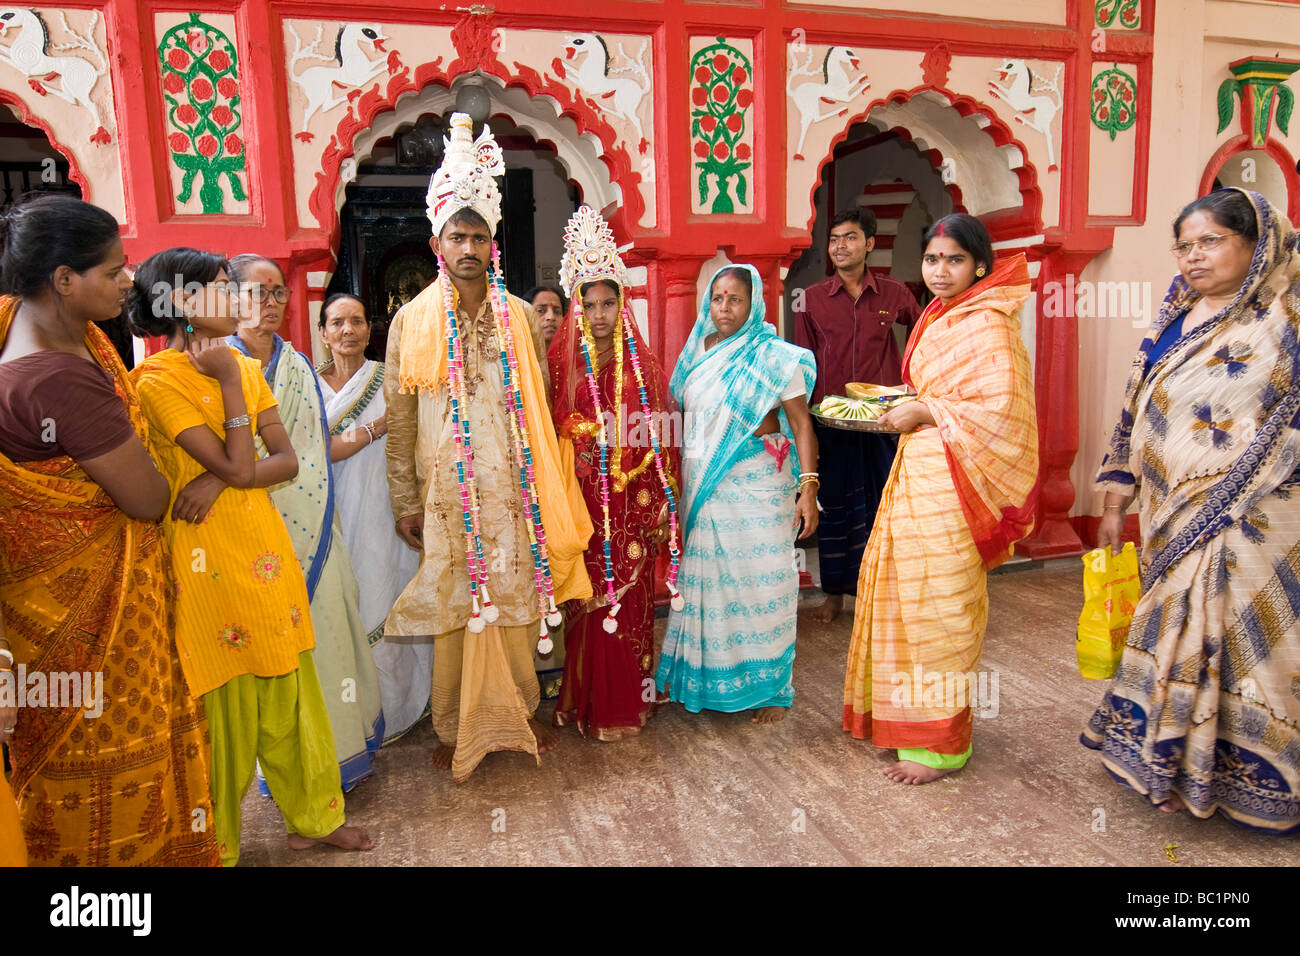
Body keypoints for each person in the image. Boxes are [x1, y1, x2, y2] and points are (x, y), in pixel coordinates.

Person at [128, 247, 372, 864]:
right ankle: (218, 843)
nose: (238, 301)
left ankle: (313, 818)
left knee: (291, 693)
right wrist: (232, 386)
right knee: (225, 710)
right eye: (220, 289)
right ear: (181, 304)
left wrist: (220, 475)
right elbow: (246, 461)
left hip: (264, 549)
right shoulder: (158, 381)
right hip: (206, 561)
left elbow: (287, 461)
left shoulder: (249, 370)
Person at [0, 196, 218, 866]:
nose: (129, 281)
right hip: (94, 618)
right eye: (113, 270)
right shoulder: (62, 378)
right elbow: (147, 497)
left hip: (31, 613)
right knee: (101, 754)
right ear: (63, 280)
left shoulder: (15, 324)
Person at [384, 112, 593, 781]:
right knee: (455, 605)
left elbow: (543, 407)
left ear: (492, 242)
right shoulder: (410, 323)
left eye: (478, 235)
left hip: (512, 489)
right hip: (445, 495)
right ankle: (455, 724)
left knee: (514, 597)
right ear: (437, 241)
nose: (468, 246)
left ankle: (520, 712)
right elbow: (399, 420)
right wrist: (405, 497)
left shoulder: (523, 318)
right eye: (457, 236)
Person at [1084, 188, 1300, 833]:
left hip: (1258, 520)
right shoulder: (1176, 313)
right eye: (1184, 244)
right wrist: (1116, 497)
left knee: (1246, 646)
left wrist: (1240, 483)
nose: (1192, 256)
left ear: (1254, 242)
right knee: (1175, 630)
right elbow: (1135, 409)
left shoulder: (1284, 319)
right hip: (1170, 513)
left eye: (1209, 241)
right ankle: (1174, 762)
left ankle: (1253, 777)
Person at [842, 213, 1038, 784]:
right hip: (918, 469)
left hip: (958, 478)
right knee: (902, 594)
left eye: (954, 259)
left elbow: (1001, 411)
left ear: (979, 265)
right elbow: (942, 391)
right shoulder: (939, 315)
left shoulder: (990, 325)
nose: (941, 270)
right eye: (932, 259)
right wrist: (903, 401)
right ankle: (905, 723)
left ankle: (940, 745)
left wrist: (927, 410)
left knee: (941, 602)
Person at [227, 255, 383, 790]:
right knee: (271, 655)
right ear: (231, 299)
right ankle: (288, 776)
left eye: (277, 292)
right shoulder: (217, 365)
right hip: (246, 536)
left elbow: (312, 451)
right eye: (256, 292)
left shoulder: (294, 367)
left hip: (314, 528)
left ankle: (337, 759)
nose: (269, 303)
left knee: (332, 636)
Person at [656, 264, 818, 724]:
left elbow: (802, 425)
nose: (724, 309)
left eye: (735, 300)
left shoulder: (773, 357)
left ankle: (770, 689)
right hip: (706, 485)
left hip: (758, 483)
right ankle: (706, 679)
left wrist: (808, 489)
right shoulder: (698, 352)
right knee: (709, 582)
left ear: (754, 305)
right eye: (717, 299)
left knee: (763, 581)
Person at [547, 206, 679, 740]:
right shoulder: (563, 364)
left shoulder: (644, 368)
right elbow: (551, 422)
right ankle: (583, 703)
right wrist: (583, 435)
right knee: (585, 603)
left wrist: (654, 494)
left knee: (626, 607)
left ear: (622, 305)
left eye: (608, 303)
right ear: (576, 308)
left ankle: (626, 704)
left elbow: (663, 436)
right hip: (581, 504)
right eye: (589, 304)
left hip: (632, 504)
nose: (598, 315)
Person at [793, 208, 921, 624]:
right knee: (836, 511)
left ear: (869, 243)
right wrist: (806, 419)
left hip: (884, 423)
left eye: (849, 238)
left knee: (885, 509)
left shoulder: (895, 294)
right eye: (833, 240)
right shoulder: (810, 299)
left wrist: (914, 392)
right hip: (830, 423)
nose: (840, 247)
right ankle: (834, 595)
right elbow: (803, 364)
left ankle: (881, 595)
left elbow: (923, 337)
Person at [316, 292, 427, 743]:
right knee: (336, 607)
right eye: (337, 322)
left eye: (357, 322)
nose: (348, 330)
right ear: (323, 332)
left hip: (381, 511)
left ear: (369, 329)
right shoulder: (306, 385)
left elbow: (415, 442)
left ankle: (393, 711)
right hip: (326, 515)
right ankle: (345, 719)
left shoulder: (388, 379)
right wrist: (373, 428)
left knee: (381, 593)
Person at [527, 284, 568, 349]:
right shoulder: (513, 357)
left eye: (557, 312)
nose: (551, 317)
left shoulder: (574, 357)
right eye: (540, 310)